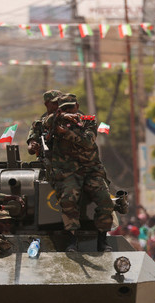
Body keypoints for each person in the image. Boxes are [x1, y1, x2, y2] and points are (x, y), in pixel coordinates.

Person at [42, 93, 117, 252]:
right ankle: (72, 239)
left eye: (72, 106)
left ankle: (102, 239)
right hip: (68, 172)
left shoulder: (88, 121)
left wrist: (65, 133)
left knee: (105, 200)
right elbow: (45, 123)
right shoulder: (55, 120)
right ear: (61, 109)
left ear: (77, 106)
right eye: (65, 107)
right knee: (68, 199)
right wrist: (60, 118)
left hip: (91, 170)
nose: (70, 109)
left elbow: (88, 141)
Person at [26, 90, 61, 157]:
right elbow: (30, 148)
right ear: (47, 104)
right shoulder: (38, 124)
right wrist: (34, 146)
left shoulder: (69, 119)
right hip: (46, 164)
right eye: (54, 103)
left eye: (60, 102)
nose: (58, 106)